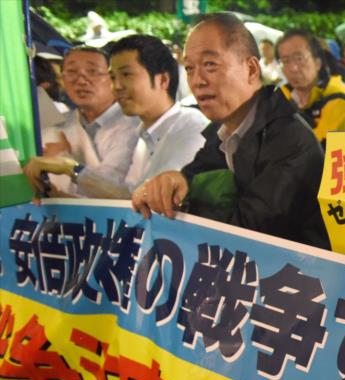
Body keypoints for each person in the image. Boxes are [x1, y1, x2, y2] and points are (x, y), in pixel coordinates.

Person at [131, 13, 329, 249]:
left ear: (252, 69)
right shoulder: (223, 131)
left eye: (210, 65)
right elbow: (194, 175)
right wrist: (173, 181)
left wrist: (178, 208)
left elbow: (250, 233)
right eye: (190, 68)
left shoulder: (289, 140)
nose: (197, 81)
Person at [23, 45, 139, 200]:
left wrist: (65, 163)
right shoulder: (53, 127)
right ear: (62, 78)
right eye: (72, 72)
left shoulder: (134, 125)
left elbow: (115, 190)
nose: (81, 80)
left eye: (92, 71)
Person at [107, 34, 208, 194]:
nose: (116, 86)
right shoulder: (143, 135)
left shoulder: (193, 127)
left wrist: (73, 169)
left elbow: (155, 197)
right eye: (112, 77)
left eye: (126, 74)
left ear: (163, 80)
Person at [277, 28, 345, 145]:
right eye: (285, 61)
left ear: (317, 63)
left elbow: (315, 148)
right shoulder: (281, 94)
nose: (293, 68)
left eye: (299, 59)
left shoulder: (338, 96)